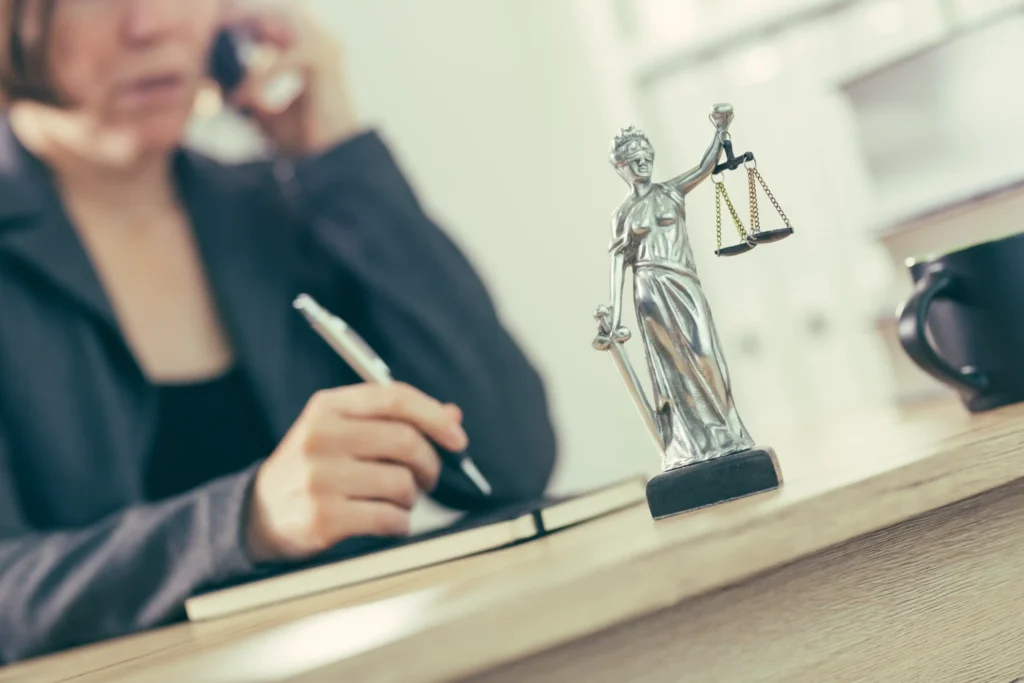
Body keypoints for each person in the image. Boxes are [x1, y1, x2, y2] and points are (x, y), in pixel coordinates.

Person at [0, 0, 557, 664]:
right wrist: (244, 521)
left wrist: (340, 160)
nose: (151, 25)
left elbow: (507, 462)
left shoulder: (278, 209)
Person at [597, 110, 754, 472]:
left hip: (682, 281)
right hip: (649, 290)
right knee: (674, 370)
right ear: (620, 166)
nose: (643, 164)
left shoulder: (670, 191)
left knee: (705, 354)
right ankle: (692, 445)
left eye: (647, 157)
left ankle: (729, 434)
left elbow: (704, 167)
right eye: (635, 160)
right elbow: (619, 263)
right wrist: (616, 318)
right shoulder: (622, 215)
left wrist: (721, 131)